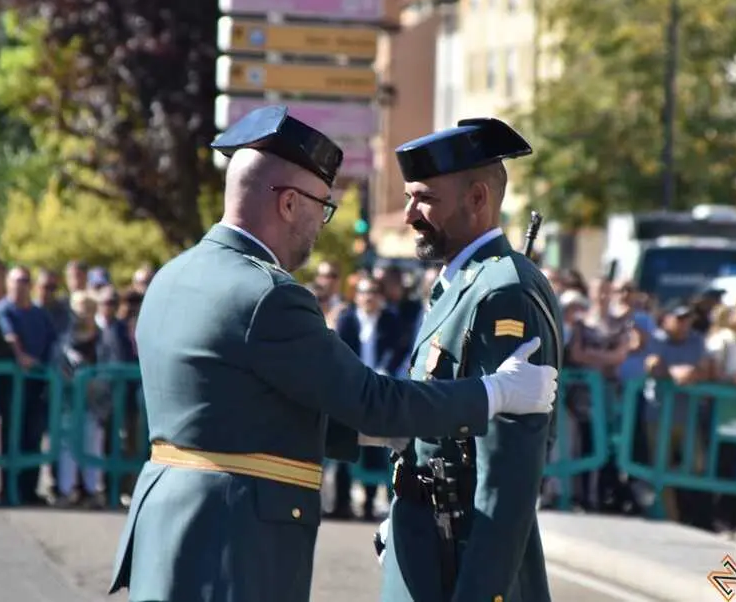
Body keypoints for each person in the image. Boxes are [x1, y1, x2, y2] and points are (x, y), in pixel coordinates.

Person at [108, 105, 559, 602]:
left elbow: (249, 404)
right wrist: (496, 393)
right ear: (287, 204)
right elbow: (371, 398)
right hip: (233, 541)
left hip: (169, 528)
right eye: (322, 206)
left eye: (423, 199)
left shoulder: (172, 276)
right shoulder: (268, 294)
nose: (321, 225)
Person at [377, 118, 564, 602]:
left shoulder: (502, 293)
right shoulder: (460, 285)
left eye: (425, 199)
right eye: (408, 198)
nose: (409, 214)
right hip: (426, 541)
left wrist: (480, 592)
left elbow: (508, 475)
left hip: (459, 555)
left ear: (477, 199)